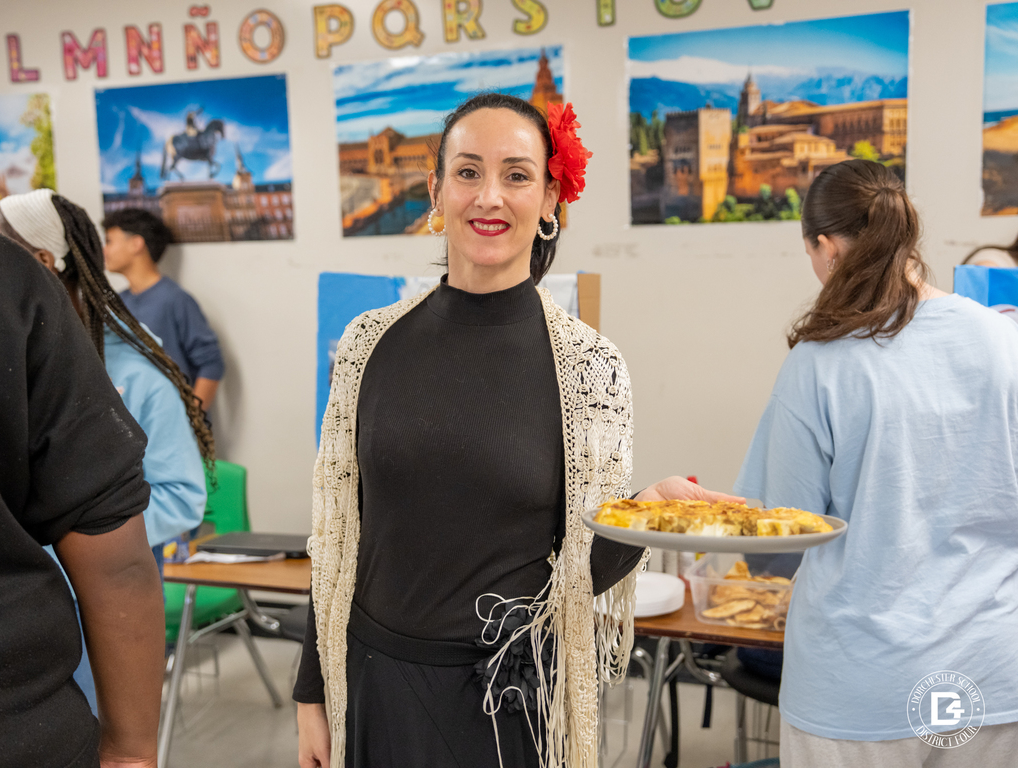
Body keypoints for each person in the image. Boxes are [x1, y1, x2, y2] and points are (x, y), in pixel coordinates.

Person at [294, 93, 735, 768]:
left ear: (551, 199)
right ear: (436, 191)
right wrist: (311, 694)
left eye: (517, 174)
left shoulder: (590, 366)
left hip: (508, 708)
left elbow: (576, 571)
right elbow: (336, 536)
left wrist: (647, 512)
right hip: (378, 686)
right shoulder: (367, 346)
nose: (489, 196)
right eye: (467, 172)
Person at [733, 159, 1018, 765]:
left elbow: (780, 543)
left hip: (860, 691)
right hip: (992, 681)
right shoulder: (1005, 341)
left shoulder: (820, 363)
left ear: (826, 246)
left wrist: (714, 517)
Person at [0, 190, 211, 712]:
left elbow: (183, 496)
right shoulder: (12, 364)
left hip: (100, 609)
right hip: (23, 613)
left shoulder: (136, 373)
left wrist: (63, 542)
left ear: (41, 264)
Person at [0, 230, 165, 768]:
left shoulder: (139, 372)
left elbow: (118, 536)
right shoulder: (14, 286)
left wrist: (130, 749)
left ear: (45, 259)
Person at [102, 207, 225, 411]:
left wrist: (191, 421)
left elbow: (211, 364)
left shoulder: (175, 300)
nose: (104, 250)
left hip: (169, 425)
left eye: (109, 241)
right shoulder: (116, 303)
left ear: (136, 244)